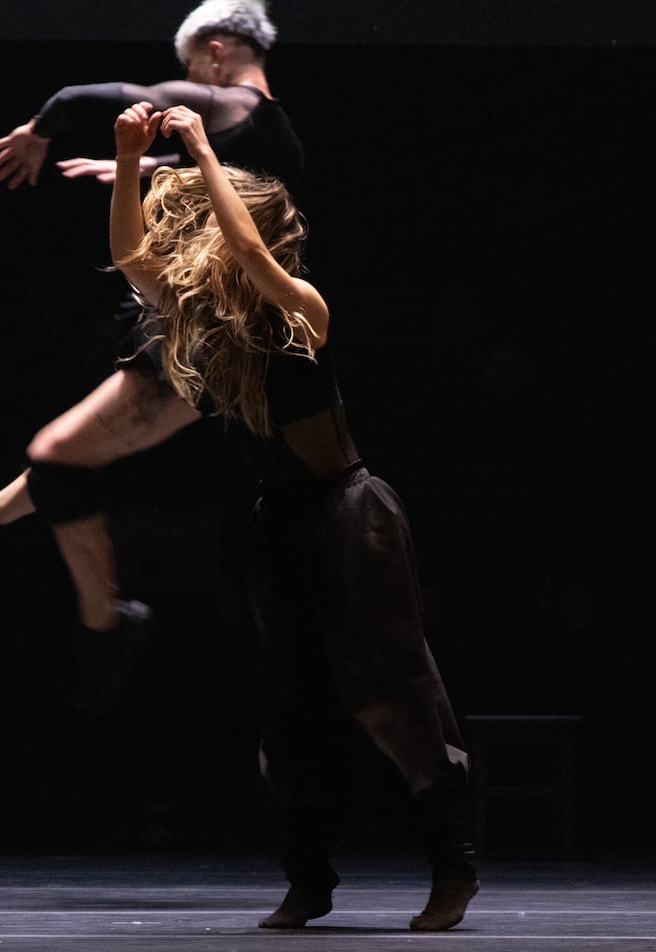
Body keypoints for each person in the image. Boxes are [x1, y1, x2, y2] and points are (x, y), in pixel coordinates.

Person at [107, 101, 479, 931]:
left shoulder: (300, 305)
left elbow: (242, 247)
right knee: (291, 706)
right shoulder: (206, 320)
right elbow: (130, 252)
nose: (201, 235)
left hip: (351, 516)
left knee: (393, 694)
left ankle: (453, 863)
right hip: (281, 520)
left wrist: (201, 144)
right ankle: (308, 879)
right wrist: (129, 160)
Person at [0, 0, 304, 712]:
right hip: (226, 333)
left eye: (185, 67)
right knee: (69, 457)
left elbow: (83, 98)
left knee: (56, 456)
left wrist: (35, 131)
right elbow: (236, 184)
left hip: (207, 333)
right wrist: (147, 169)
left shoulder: (219, 96)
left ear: (215, 48)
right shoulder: (277, 135)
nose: (180, 84)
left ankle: (84, 609)